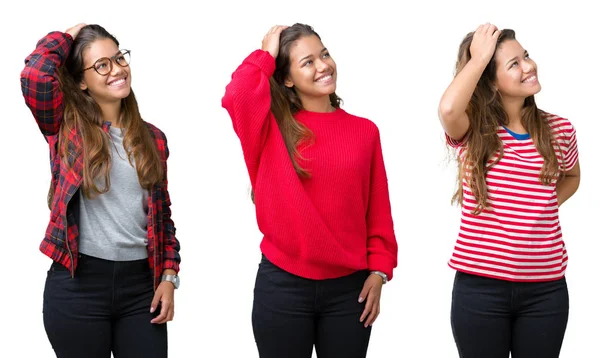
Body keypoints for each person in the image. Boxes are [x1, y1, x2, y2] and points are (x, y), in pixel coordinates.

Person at [222, 23, 398, 358]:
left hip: (350, 291)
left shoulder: (365, 131)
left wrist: (379, 270)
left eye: (325, 54)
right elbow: (237, 95)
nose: (323, 66)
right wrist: (266, 52)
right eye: (307, 62)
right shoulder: (268, 128)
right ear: (286, 77)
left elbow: (377, 209)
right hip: (283, 288)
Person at [20, 23, 181, 358]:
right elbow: (35, 76)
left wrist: (169, 276)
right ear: (81, 81)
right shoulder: (66, 126)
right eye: (101, 65)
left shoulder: (154, 139)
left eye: (119, 58)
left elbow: (162, 216)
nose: (116, 69)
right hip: (79, 286)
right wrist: (65, 37)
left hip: (141, 288)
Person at [438, 23, 580, 358]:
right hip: (480, 291)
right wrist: (479, 58)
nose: (529, 66)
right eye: (513, 63)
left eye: (526, 56)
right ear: (489, 81)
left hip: (546, 292)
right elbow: (447, 109)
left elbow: (571, 177)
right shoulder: (472, 128)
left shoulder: (560, 129)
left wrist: (540, 207)